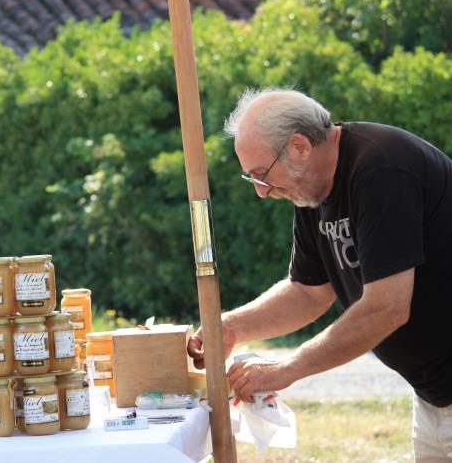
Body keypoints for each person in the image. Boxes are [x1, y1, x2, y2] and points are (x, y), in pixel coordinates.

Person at [186, 88, 452, 460]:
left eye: (261, 174)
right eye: (253, 179)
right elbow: (308, 292)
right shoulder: (311, 189)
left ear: (299, 146)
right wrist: (232, 326)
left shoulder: (382, 169)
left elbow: (387, 307)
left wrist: (286, 368)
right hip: (432, 398)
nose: (261, 192)